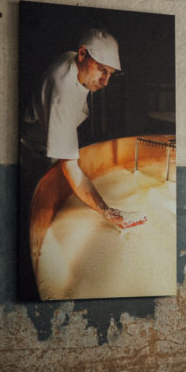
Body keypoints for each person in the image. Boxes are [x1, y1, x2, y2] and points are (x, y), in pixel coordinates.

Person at [20, 28, 129, 228]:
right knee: (40, 208)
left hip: (47, 140)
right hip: (34, 153)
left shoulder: (73, 60)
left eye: (110, 73)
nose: (106, 81)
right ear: (81, 53)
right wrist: (106, 210)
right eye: (102, 69)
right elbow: (70, 166)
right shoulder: (62, 92)